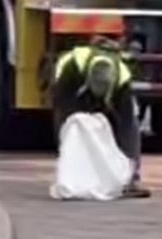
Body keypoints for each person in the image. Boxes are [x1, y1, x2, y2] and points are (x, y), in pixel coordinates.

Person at [52, 39, 150, 198]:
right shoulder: (71, 67)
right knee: (72, 130)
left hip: (108, 99)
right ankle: (72, 176)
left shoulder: (122, 78)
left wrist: (130, 169)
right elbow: (61, 110)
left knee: (131, 126)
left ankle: (130, 180)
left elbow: (126, 127)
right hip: (73, 92)